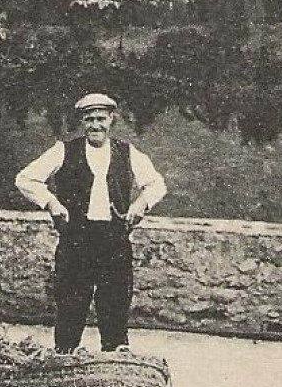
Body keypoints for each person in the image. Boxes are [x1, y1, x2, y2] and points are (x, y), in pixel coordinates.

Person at [14, 93, 167, 353]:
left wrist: (139, 205)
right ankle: (64, 368)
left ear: (111, 120)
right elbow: (25, 179)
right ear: (82, 122)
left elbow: (157, 185)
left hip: (114, 242)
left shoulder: (127, 152)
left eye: (101, 119)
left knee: (115, 310)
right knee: (70, 310)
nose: (95, 125)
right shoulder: (64, 150)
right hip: (76, 241)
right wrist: (52, 203)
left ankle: (114, 372)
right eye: (89, 119)